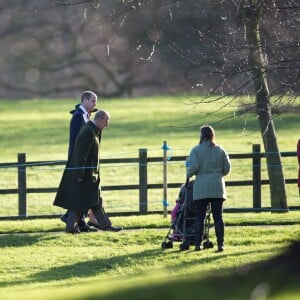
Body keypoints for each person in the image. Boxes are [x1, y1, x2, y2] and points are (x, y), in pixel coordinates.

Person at [54, 109, 122, 233]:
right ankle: (71, 227)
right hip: (85, 176)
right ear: (100, 119)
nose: (107, 124)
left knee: (94, 201)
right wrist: (79, 175)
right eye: (106, 121)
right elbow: (81, 155)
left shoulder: (93, 130)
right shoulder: (88, 132)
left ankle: (105, 226)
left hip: (90, 175)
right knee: (79, 203)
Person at [186, 125, 230, 252]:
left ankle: (198, 244)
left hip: (201, 188)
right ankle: (220, 244)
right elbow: (227, 169)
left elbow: (193, 168)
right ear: (212, 135)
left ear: (201, 136)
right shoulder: (221, 150)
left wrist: (188, 172)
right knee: (218, 218)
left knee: (200, 217)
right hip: (217, 187)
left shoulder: (196, 150)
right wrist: (217, 174)